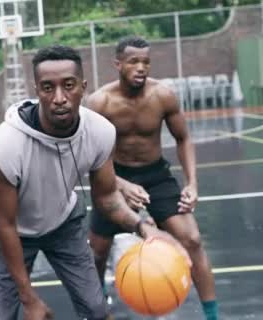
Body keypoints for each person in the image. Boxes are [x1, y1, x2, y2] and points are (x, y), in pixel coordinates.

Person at [0, 45, 188, 320]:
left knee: (96, 310)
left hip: (62, 223)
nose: (59, 98)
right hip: (6, 230)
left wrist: (144, 227)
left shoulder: (100, 132)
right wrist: (28, 298)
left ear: (83, 87)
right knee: (2, 317)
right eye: (48, 88)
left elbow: (107, 197)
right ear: (37, 90)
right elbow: (5, 224)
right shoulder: (6, 144)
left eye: (68, 85)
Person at [87, 36, 218, 320]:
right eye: (134, 61)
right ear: (118, 64)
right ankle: (96, 313)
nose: (141, 67)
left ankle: (213, 316)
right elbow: (89, 156)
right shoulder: (99, 102)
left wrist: (192, 183)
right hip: (114, 178)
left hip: (156, 175)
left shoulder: (163, 95)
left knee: (192, 239)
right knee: (96, 252)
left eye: (146, 61)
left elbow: (183, 138)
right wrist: (120, 184)